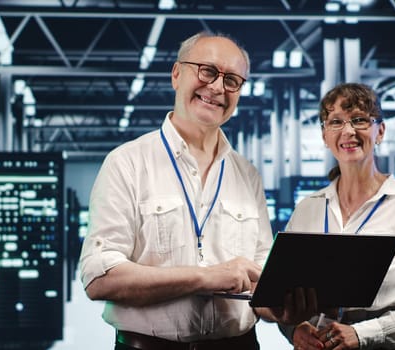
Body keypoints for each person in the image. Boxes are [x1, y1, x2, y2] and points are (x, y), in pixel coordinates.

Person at [78, 31, 315, 350]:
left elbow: (258, 284)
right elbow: (99, 278)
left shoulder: (247, 174)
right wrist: (207, 277)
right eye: (208, 71)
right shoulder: (128, 163)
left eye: (232, 80)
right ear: (177, 74)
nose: (218, 87)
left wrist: (279, 310)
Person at [279, 83, 395, 350]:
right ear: (325, 136)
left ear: (379, 131)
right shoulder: (307, 210)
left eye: (359, 120)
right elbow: (284, 294)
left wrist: (362, 334)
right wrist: (295, 330)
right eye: (336, 122)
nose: (348, 131)